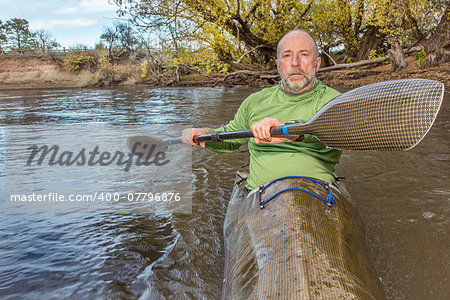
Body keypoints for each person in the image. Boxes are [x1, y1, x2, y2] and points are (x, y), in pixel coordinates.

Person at [182, 29, 342, 191]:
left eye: (304, 54)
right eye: (287, 55)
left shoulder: (335, 101)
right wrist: (203, 133)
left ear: (318, 63)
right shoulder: (254, 101)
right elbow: (231, 137)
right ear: (278, 65)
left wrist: (294, 134)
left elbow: (342, 134)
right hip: (260, 198)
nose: (295, 63)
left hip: (318, 193)